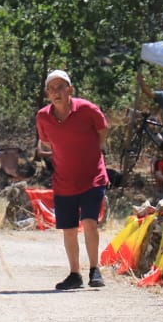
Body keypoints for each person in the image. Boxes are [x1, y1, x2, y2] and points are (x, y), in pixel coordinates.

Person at [37, 69, 110, 291]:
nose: (56, 92)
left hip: (92, 178)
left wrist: (91, 153)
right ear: (47, 93)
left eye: (60, 87)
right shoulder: (43, 116)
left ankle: (95, 270)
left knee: (89, 222)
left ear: (70, 89)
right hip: (64, 181)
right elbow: (46, 142)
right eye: (51, 89)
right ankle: (74, 273)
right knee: (69, 229)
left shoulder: (87, 109)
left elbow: (102, 131)